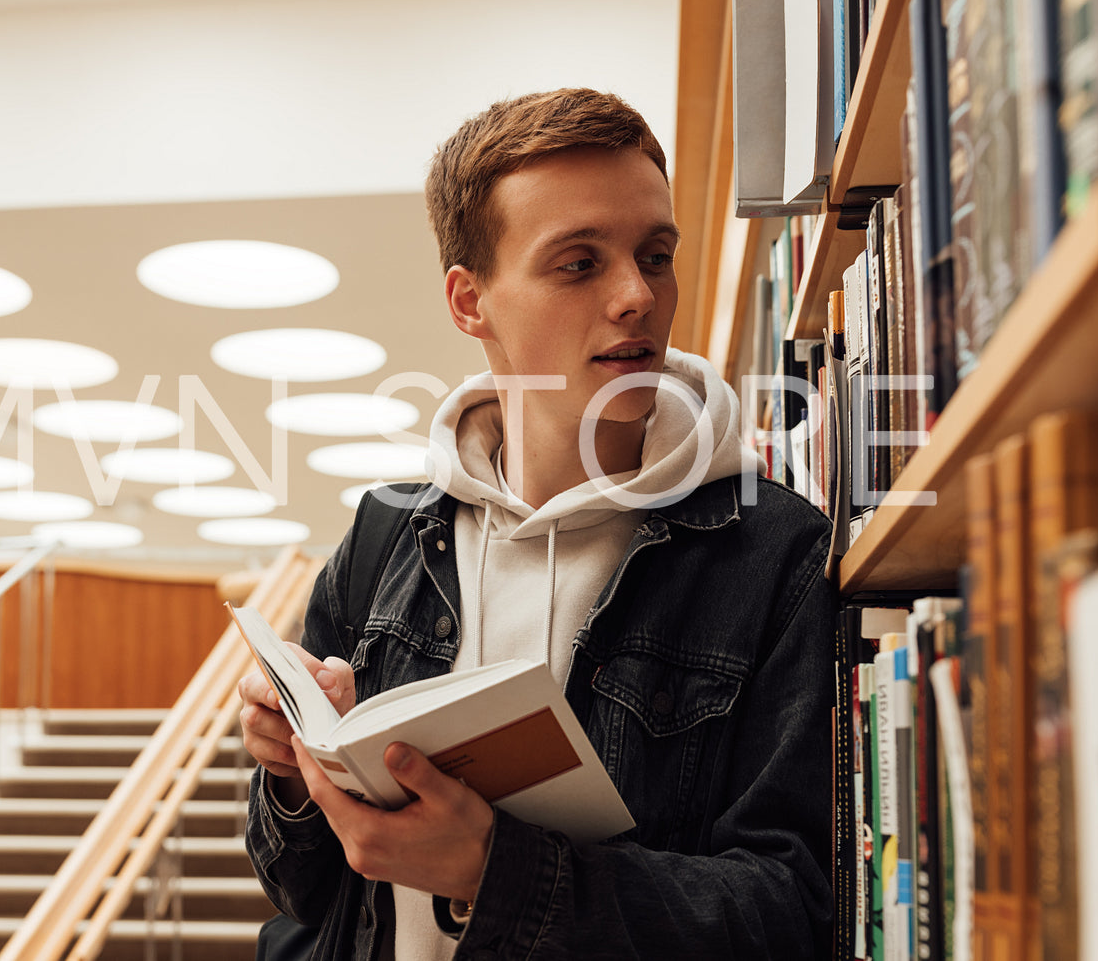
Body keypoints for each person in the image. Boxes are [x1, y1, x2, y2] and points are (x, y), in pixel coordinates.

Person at [239, 88, 835, 959]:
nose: (637, 295)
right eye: (578, 263)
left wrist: (498, 873)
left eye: (655, 254)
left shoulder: (774, 554)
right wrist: (293, 777)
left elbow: (792, 913)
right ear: (469, 302)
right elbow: (304, 890)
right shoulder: (381, 538)